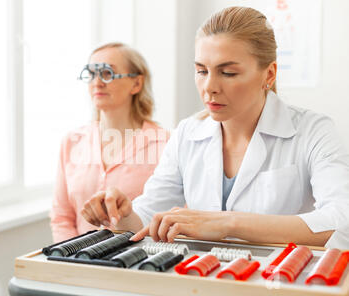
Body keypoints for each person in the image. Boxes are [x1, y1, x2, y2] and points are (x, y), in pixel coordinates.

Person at [80, 7, 349, 249]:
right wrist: (123, 213)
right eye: (201, 71)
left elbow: (342, 221)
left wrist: (229, 223)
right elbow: (147, 217)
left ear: (269, 74)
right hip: (201, 282)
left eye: (228, 73)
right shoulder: (187, 133)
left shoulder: (313, 131)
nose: (209, 86)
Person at [50, 42, 170, 243]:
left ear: (136, 84)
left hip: (139, 262)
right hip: (80, 263)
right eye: (91, 74)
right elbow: (62, 217)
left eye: (107, 73)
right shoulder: (71, 142)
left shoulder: (165, 144)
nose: (97, 82)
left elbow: (172, 217)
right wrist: (71, 260)